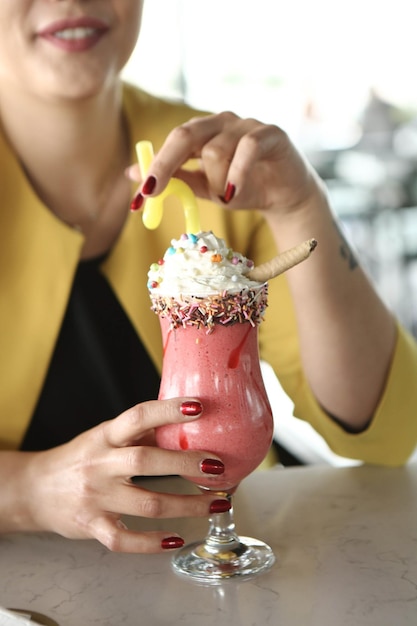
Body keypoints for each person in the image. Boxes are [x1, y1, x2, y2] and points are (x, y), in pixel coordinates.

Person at [1, 0, 416, 555]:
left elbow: (385, 431)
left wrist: (299, 203)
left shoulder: (218, 163)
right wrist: (27, 490)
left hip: (234, 563)